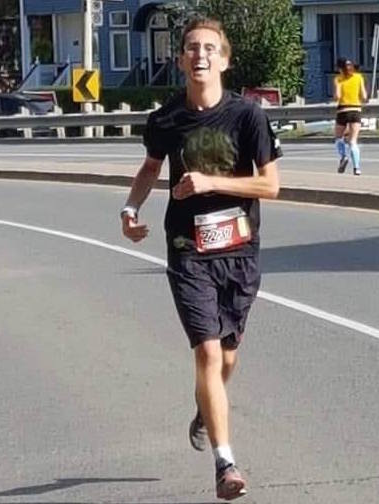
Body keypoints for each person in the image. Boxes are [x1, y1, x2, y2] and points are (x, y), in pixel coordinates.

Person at [120, 17, 281, 501]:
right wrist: (131, 208)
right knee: (208, 352)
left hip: (238, 249)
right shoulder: (166, 119)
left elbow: (270, 185)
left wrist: (213, 183)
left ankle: (204, 402)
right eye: (191, 48)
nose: (200, 55)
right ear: (181, 59)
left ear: (224, 60)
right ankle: (225, 464)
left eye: (210, 48)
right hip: (187, 249)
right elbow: (150, 168)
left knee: (227, 357)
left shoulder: (248, 117)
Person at [333, 58, 367, 175]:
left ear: (340, 68)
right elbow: (364, 95)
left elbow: (337, 96)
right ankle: (357, 168)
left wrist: (336, 95)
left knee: (338, 137)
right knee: (353, 141)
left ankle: (343, 156)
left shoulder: (338, 79)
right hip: (356, 110)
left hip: (343, 110)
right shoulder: (358, 77)